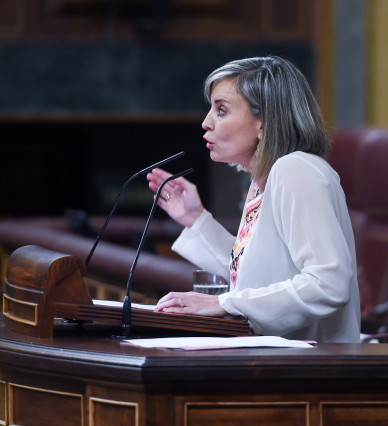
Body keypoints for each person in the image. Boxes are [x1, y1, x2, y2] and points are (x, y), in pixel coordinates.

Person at [147, 56, 360, 343]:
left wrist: (223, 303)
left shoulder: (296, 170)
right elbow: (258, 277)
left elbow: (329, 284)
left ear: (264, 121)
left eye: (221, 110)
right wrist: (196, 220)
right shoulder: (265, 178)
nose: (206, 122)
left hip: (309, 371)